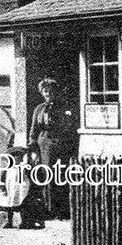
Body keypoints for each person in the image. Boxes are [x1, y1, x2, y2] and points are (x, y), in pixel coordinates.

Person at [28, 77, 78, 219]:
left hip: (59, 144)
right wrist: (33, 145)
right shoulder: (39, 109)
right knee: (46, 176)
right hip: (43, 145)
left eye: (50, 91)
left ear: (55, 92)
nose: (48, 94)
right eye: (45, 91)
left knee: (60, 176)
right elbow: (34, 129)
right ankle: (48, 210)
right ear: (42, 93)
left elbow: (69, 126)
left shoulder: (63, 108)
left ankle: (61, 211)